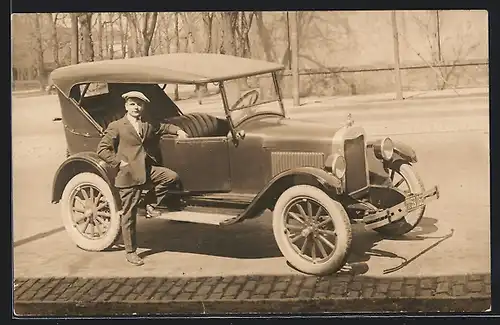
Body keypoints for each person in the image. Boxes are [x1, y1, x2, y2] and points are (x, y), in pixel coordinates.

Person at [97, 90, 189, 266]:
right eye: (132, 104)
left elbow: (163, 127)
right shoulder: (117, 126)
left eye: (139, 104)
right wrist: (118, 162)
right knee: (129, 215)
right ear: (126, 106)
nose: (136, 107)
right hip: (128, 175)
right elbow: (102, 149)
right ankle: (131, 252)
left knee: (171, 177)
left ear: (143, 107)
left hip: (146, 170)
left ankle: (149, 203)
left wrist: (178, 131)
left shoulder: (147, 124)